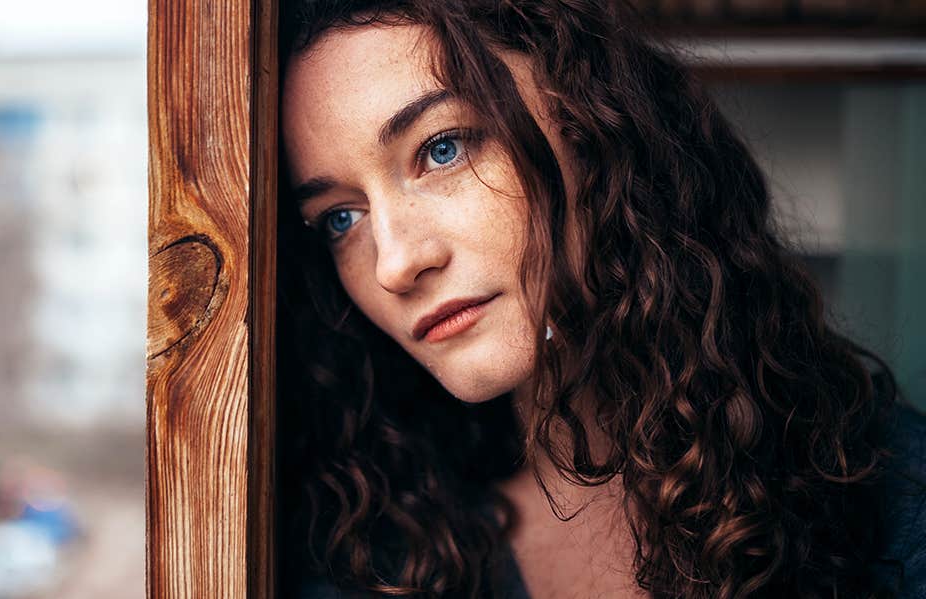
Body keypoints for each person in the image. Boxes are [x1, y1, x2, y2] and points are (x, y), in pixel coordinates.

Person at [273, 1, 926, 598]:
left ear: (584, 117)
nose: (395, 263)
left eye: (442, 149)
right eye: (340, 218)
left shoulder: (881, 490)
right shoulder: (367, 559)